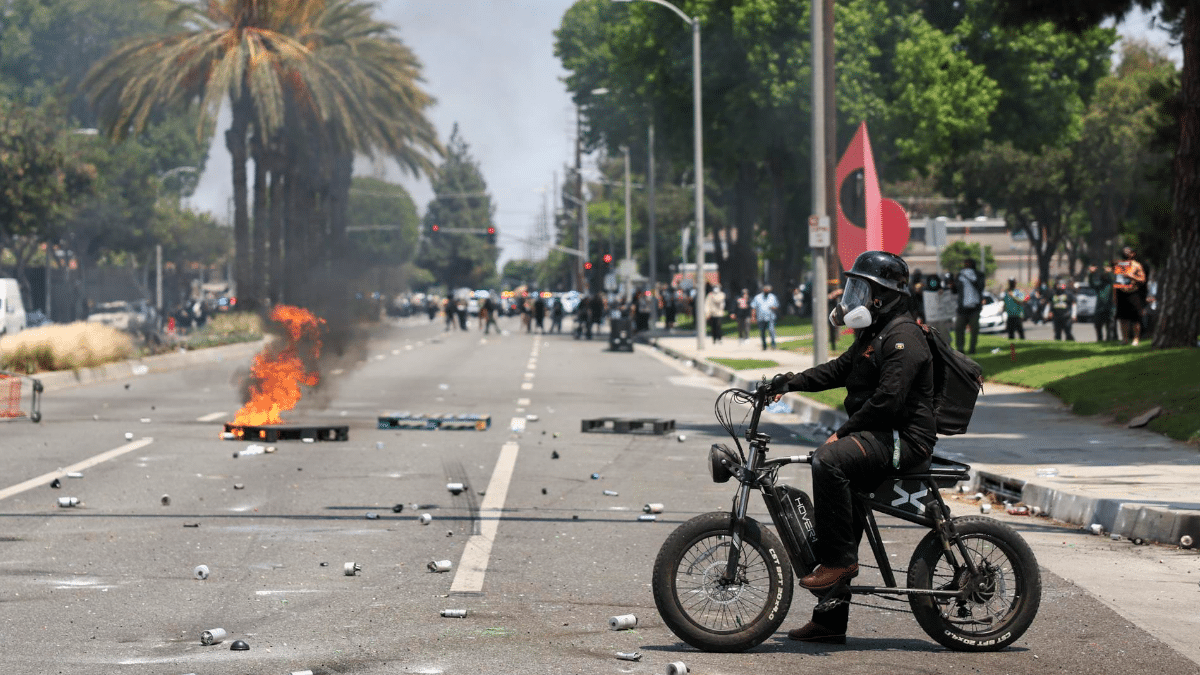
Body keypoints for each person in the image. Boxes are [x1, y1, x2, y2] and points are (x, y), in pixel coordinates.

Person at [771, 250, 935, 644]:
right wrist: (788, 382)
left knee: (828, 459)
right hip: (880, 434)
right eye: (854, 287)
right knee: (844, 517)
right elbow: (837, 370)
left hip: (905, 439)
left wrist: (844, 432)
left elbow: (888, 401)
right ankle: (830, 622)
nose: (854, 297)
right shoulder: (874, 334)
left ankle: (840, 563)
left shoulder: (903, 337)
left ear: (884, 296)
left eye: (863, 289)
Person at [1113, 247, 1147, 346]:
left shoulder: (1137, 265)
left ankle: (1136, 339)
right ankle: (1125, 339)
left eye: (1128, 251)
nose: (1125, 253)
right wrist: (1115, 296)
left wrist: (1131, 276)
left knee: (1135, 318)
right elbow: (1117, 281)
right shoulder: (1120, 265)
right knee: (1122, 318)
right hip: (1121, 293)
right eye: (1124, 251)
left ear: (1133, 254)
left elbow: (1142, 279)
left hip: (1133, 293)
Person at [954, 258, 985, 354]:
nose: (967, 265)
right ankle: (960, 348)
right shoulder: (960, 275)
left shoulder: (979, 275)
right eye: (966, 263)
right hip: (962, 308)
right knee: (959, 328)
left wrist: (971, 278)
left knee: (974, 329)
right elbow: (956, 290)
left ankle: (972, 348)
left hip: (974, 308)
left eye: (969, 263)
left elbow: (980, 287)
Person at [1087, 262, 1115, 342]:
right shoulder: (1099, 285)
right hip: (1099, 309)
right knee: (1098, 325)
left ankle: (1109, 340)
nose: (1104, 276)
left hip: (1110, 308)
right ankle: (1099, 339)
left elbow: (1113, 280)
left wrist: (1109, 272)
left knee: (1109, 327)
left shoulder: (1111, 285)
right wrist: (1091, 274)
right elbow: (1091, 284)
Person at [751, 284, 780, 350]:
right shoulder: (757, 297)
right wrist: (753, 317)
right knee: (762, 332)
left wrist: (773, 307)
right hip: (761, 317)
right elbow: (753, 307)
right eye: (766, 290)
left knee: (771, 330)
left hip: (770, 317)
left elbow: (777, 306)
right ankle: (764, 345)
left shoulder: (773, 297)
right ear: (763, 290)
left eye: (769, 290)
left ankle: (773, 343)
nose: (767, 291)